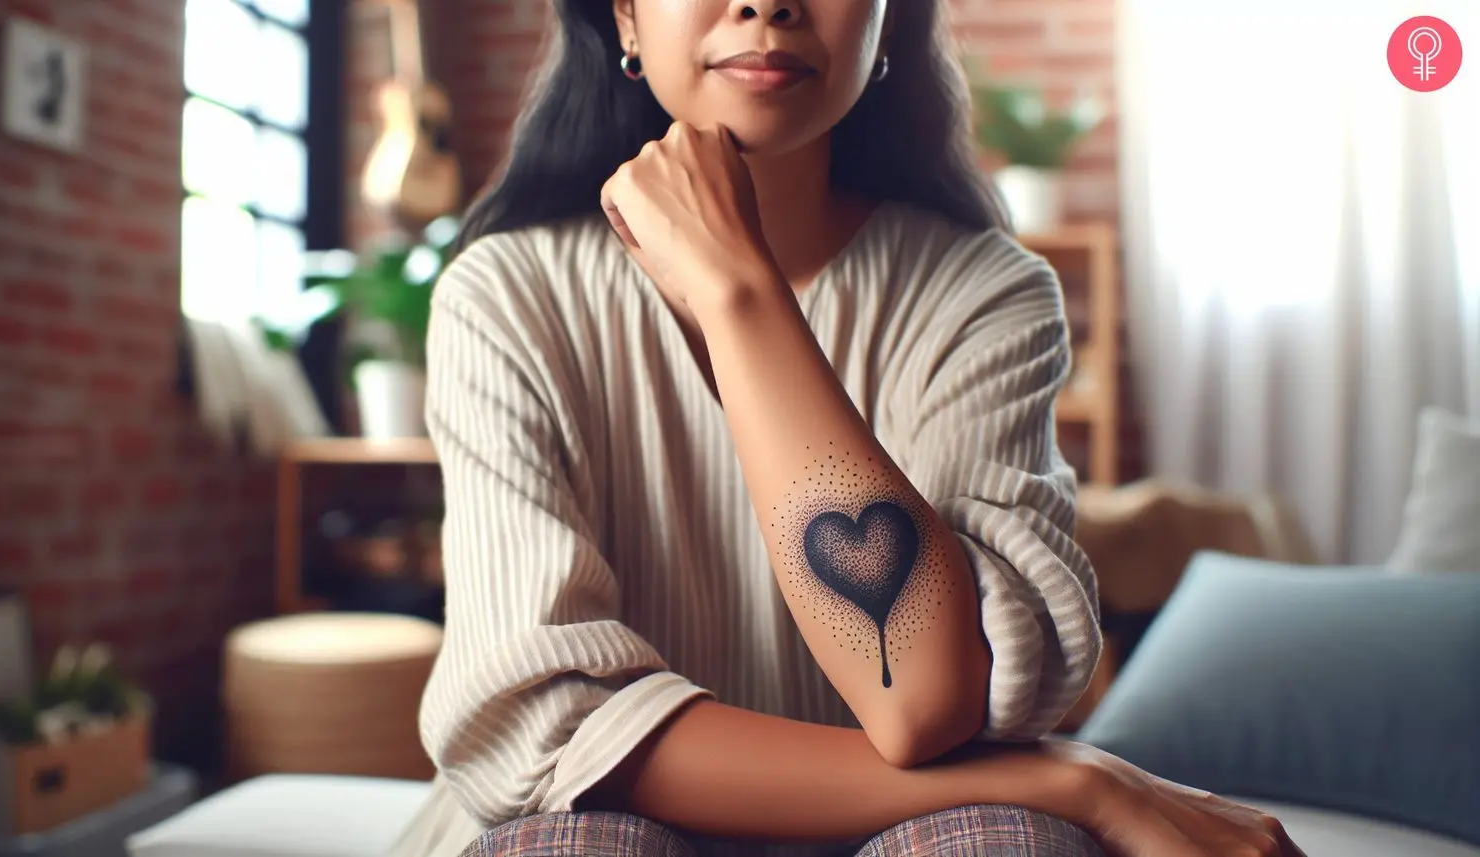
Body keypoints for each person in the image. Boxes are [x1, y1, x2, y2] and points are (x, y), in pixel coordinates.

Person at [389, 1, 1308, 855]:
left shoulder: (986, 293)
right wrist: (1073, 782)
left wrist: (737, 294)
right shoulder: (506, 294)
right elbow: (544, 737)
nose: (767, 2)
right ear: (625, 12)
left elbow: (925, 700)